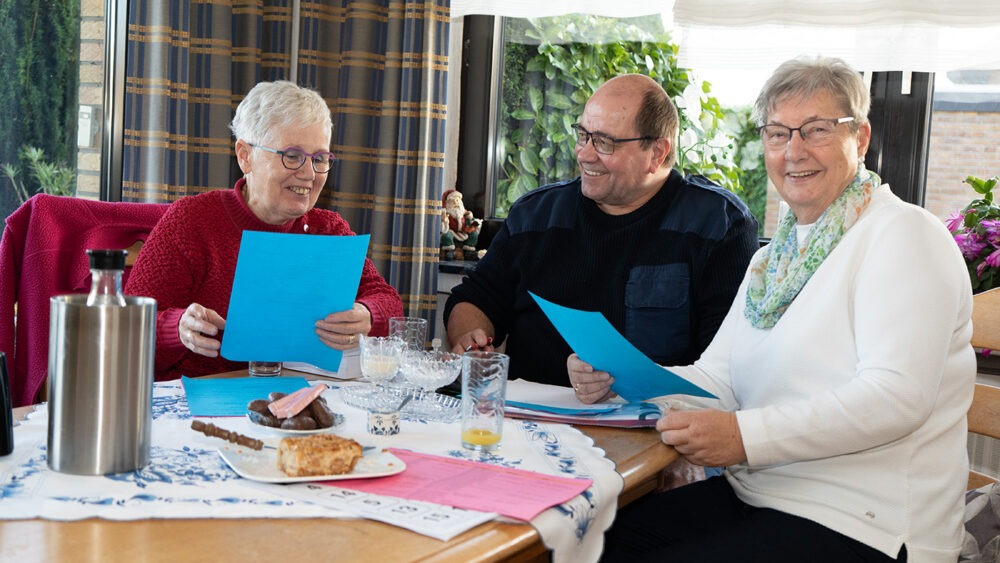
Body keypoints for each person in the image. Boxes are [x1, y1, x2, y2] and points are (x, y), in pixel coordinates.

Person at [573, 57, 975, 562]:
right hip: (760, 497)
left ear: (862, 137)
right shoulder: (774, 258)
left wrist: (743, 438)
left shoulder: (904, 236)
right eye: (778, 133)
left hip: (868, 524)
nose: (794, 151)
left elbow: (896, 399)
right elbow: (716, 381)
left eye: (817, 130)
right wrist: (622, 379)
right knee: (590, 542)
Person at [444, 73, 759, 387]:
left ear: (657, 153)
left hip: (655, 426)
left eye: (605, 143)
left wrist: (621, 384)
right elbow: (475, 298)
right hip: (527, 424)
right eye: (583, 136)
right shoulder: (536, 215)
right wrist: (472, 342)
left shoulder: (719, 226)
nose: (584, 154)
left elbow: (724, 367)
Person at [126, 80, 403, 380]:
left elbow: (388, 301)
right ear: (245, 156)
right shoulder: (192, 221)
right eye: (293, 155)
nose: (309, 174)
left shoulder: (327, 228)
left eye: (319, 159)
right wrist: (178, 328)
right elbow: (128, 327)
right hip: (203, 398)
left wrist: (366, 315)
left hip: (299, 397)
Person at [442, 189, 481, 260]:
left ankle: (468, 252)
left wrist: (472, 225)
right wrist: (445, 220)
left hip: (463, 233)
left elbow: (470, 223)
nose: (456, 203)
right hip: (452, 233)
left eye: (457, 200)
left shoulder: (464, 214)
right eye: (453, 201)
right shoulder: (447, 215)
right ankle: (449, 251)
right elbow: (444, 228)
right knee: (446, 236)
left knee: (474, 234)